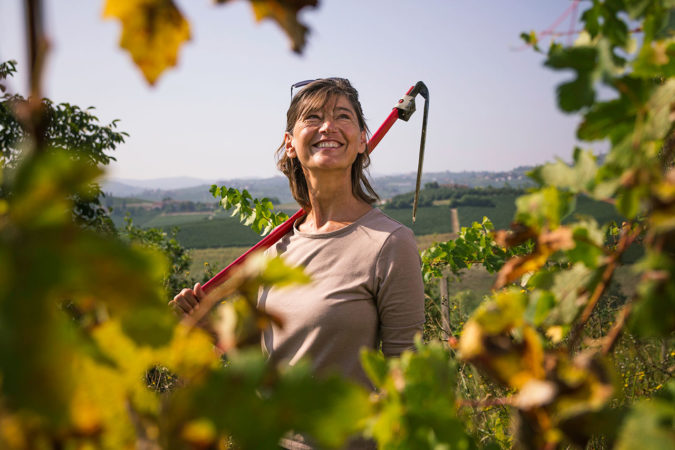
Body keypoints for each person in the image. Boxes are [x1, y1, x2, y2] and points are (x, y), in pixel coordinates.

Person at [172, 78, 425, 449]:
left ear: (362, 140)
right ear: (290, 143)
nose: (328, 126)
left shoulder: (389, 243)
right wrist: (214, 333)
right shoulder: (275, 251)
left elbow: (408, 379)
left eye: (343, 116)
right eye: (313, 117)